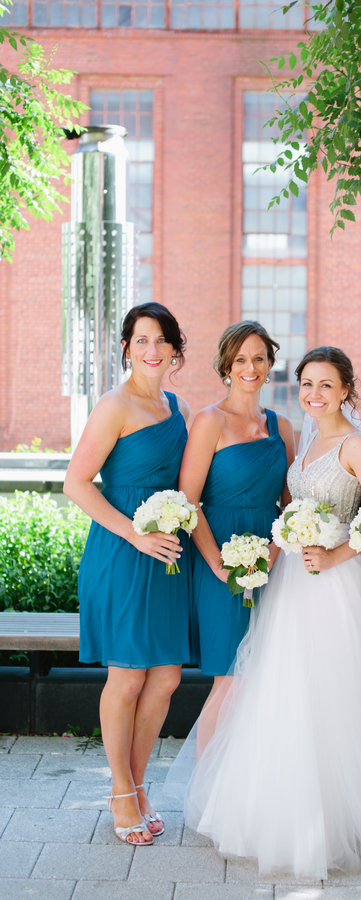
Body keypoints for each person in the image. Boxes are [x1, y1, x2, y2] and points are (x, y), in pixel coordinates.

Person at [167, 346, 361, 879]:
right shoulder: (301, 442)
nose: (314, 394)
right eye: (307, 383)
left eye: (326, 384)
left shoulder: (355, 445)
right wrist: (280, 545)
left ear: (347, 390)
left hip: (334, 582)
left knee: (330, 690)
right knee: (280, 687)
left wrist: (335, 552)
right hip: (291, 580)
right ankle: (272, 807)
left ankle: (333, 819)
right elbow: (289, 504)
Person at [64, 302, 192, 846]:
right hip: (122, 552)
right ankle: (120, 792)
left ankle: (139, 784)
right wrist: (134, 534)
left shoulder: (178, 407)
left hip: (167, 558)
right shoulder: (114, 406)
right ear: (126, 348)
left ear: (175, 350)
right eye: (141, 340)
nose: (152, 349)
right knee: (128, 677)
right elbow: (76, 482)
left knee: (165, 678)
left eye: (161, 339)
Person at [178, 321, 295, 745]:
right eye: (241, 359)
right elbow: (187, 501)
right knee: (230, 677)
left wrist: (273, 553)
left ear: (270, 365)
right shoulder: (209, 421)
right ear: (226, 365)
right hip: (220, 558)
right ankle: (206, 795)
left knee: (264, 674)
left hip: (272, 558)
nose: (251, 367)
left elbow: (291, 503)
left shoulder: (282, 426)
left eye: (259, 358)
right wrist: (219, 563)